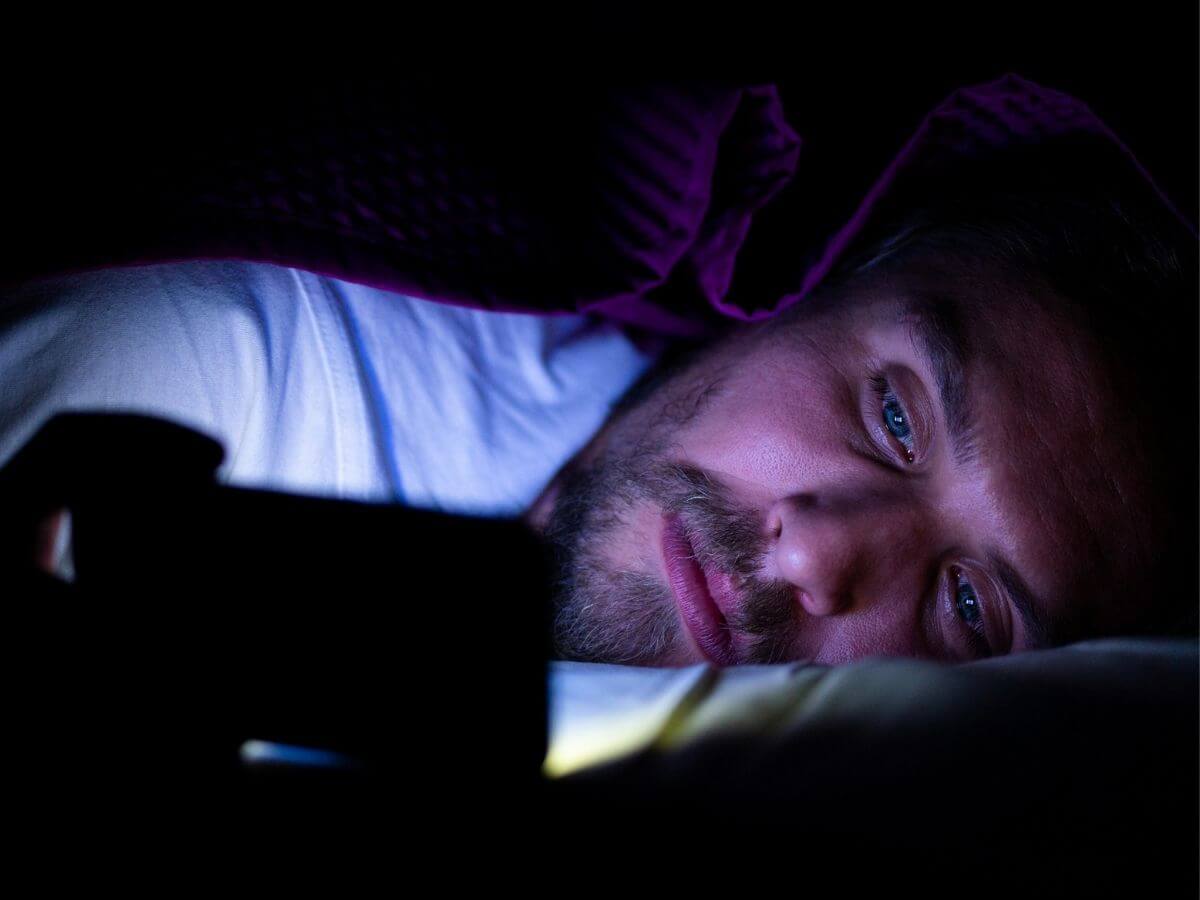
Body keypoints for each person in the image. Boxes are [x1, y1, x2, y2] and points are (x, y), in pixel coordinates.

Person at [1, 143, 1194, 670]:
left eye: (972, 606)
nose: (829, 550)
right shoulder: (251, 356)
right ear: (796, 295)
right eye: (893, 416)